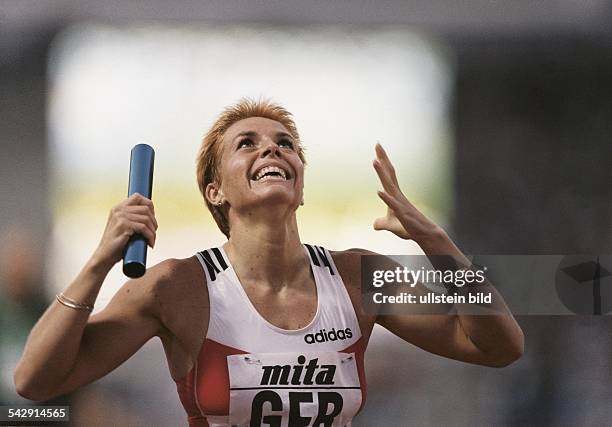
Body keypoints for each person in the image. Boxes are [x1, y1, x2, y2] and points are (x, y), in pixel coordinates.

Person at [14, 99, 524, 426]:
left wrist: (438, 244)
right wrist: (99, 261)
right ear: (216, 191)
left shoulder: (356, 276)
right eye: (247, 143)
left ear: (299, 184)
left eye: (285, 144)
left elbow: (499, 345)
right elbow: (35, 382)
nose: (272, 150)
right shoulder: (176, 286)